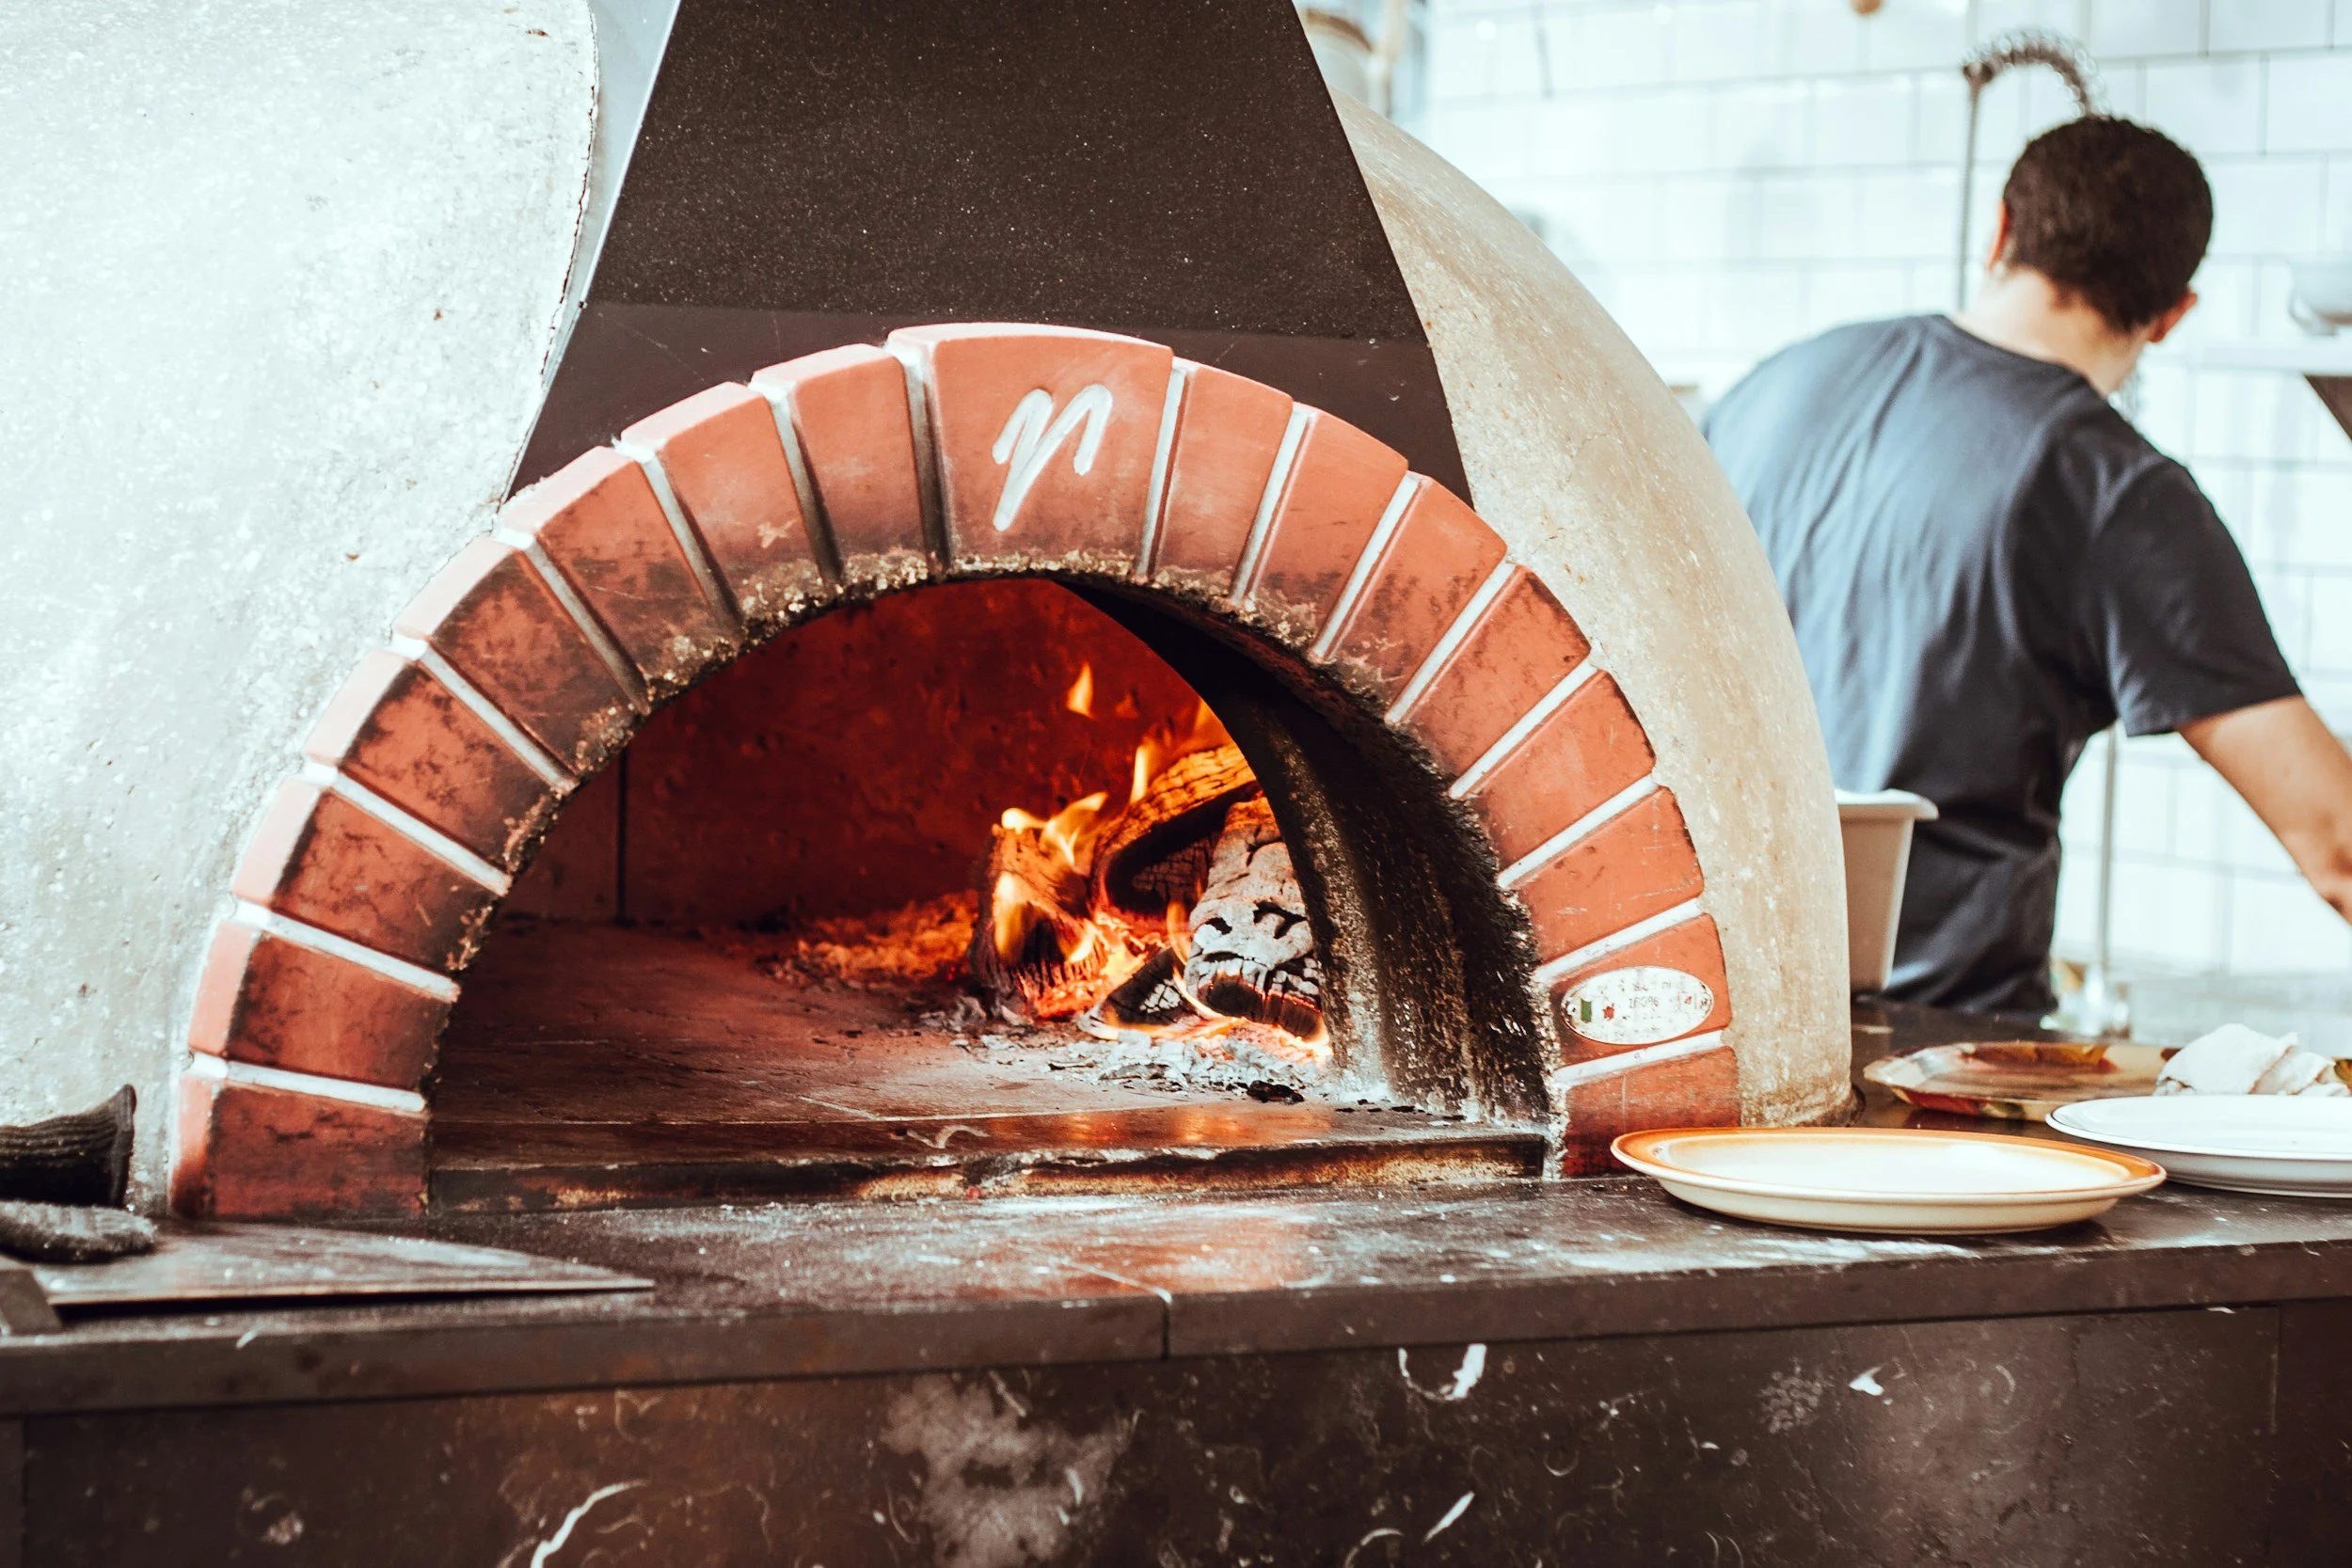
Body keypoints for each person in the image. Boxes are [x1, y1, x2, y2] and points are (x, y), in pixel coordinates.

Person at [1703, 117, 2352, 1018]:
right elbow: (2336, 841)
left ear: (2001, 230)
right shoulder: (2117, 491)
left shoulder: (1779, 382)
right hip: (1935, 1056)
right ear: (2171, 315)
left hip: (1726, 1007)